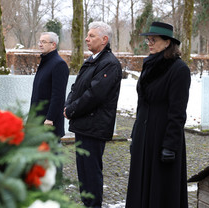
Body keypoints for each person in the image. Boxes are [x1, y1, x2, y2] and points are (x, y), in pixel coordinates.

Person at [126, 22, 190, 208]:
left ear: (167, 42)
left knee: (160, 191)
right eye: (148, 40)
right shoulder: (149, 64)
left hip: (163, 138)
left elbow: (177, 113)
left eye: (153, 40)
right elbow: (141, 105)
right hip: (143, 137)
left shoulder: (179, 69)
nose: (149, 43)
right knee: (140, 186)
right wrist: (135, 134)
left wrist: (170, 145)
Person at [63, 21, 122, 208]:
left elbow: (94, 95)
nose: (87, 39)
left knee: (91, 172)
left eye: (92, 36)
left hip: (94, 127)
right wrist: (68, 104)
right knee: (83, 173)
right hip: (83, 125)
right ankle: (86, 203)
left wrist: (71, 110)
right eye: (87, 35)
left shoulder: (109, 64)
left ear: (104, 40)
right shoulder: (91, 60)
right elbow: (76, 87)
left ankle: (93, 205)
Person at [30, 32, 69, 138]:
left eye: (44, 42)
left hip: (48, 123)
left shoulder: (59, 64)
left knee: (51, 153)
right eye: (40, 41)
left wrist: (50, 118)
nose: (40, 44)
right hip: (37, 120)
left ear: (53, 45)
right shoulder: (45, 62)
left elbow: (58, 95)